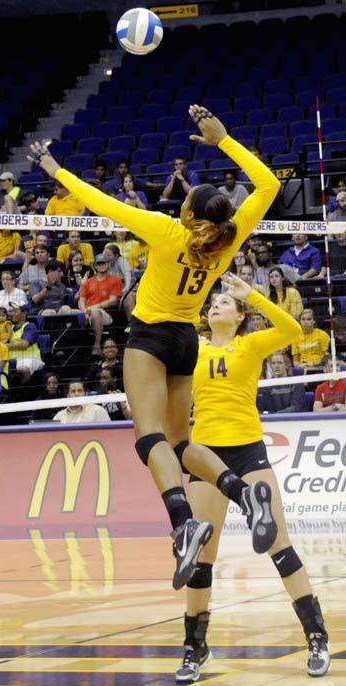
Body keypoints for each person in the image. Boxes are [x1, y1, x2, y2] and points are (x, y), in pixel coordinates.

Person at [29, 103, 281, 589]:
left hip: (150, 338)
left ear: (187, 212)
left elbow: (104, 205)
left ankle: (183, 523)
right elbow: (269, 184)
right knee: (182, 444)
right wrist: (225, 139)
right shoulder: (230, 238)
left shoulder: (168, 231)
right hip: (188, 339)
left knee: (151, 441)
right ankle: (242, 492)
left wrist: (55, 170)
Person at [176, 272, 330, 683]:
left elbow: (293, 328)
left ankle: (316, 636)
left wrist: (253, 295)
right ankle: (195, 646)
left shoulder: (252, 343)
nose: (216, 306)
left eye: (225, 303)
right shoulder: (194, 348)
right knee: (200, 556)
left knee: (278, 542)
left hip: (247, 450)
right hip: (206, 455)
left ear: (240, 317)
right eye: (213, 304)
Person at [77, 255, 123, 355]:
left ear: (108, 264)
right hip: (87, 313)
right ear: (94, 266)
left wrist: (92, 308)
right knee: (65, 309)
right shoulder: (89, 282)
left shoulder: (115, 280)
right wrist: (85, 310)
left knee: (95, 312)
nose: (101, 265)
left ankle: (97, 346)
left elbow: (113, 301)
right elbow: (81, 300)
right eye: (99, 263)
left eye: (104, 262)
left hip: (105, 315)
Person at [5, 303, 45, 383]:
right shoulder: (10, 328)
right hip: (12, 360)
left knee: (23, 369)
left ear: (24, 313)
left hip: (30, 358)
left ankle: (25, 392)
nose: (12, 314)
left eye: (15, 311)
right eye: (12, 311)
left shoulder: (30, 326)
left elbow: (24, 345)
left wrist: (3, 346)